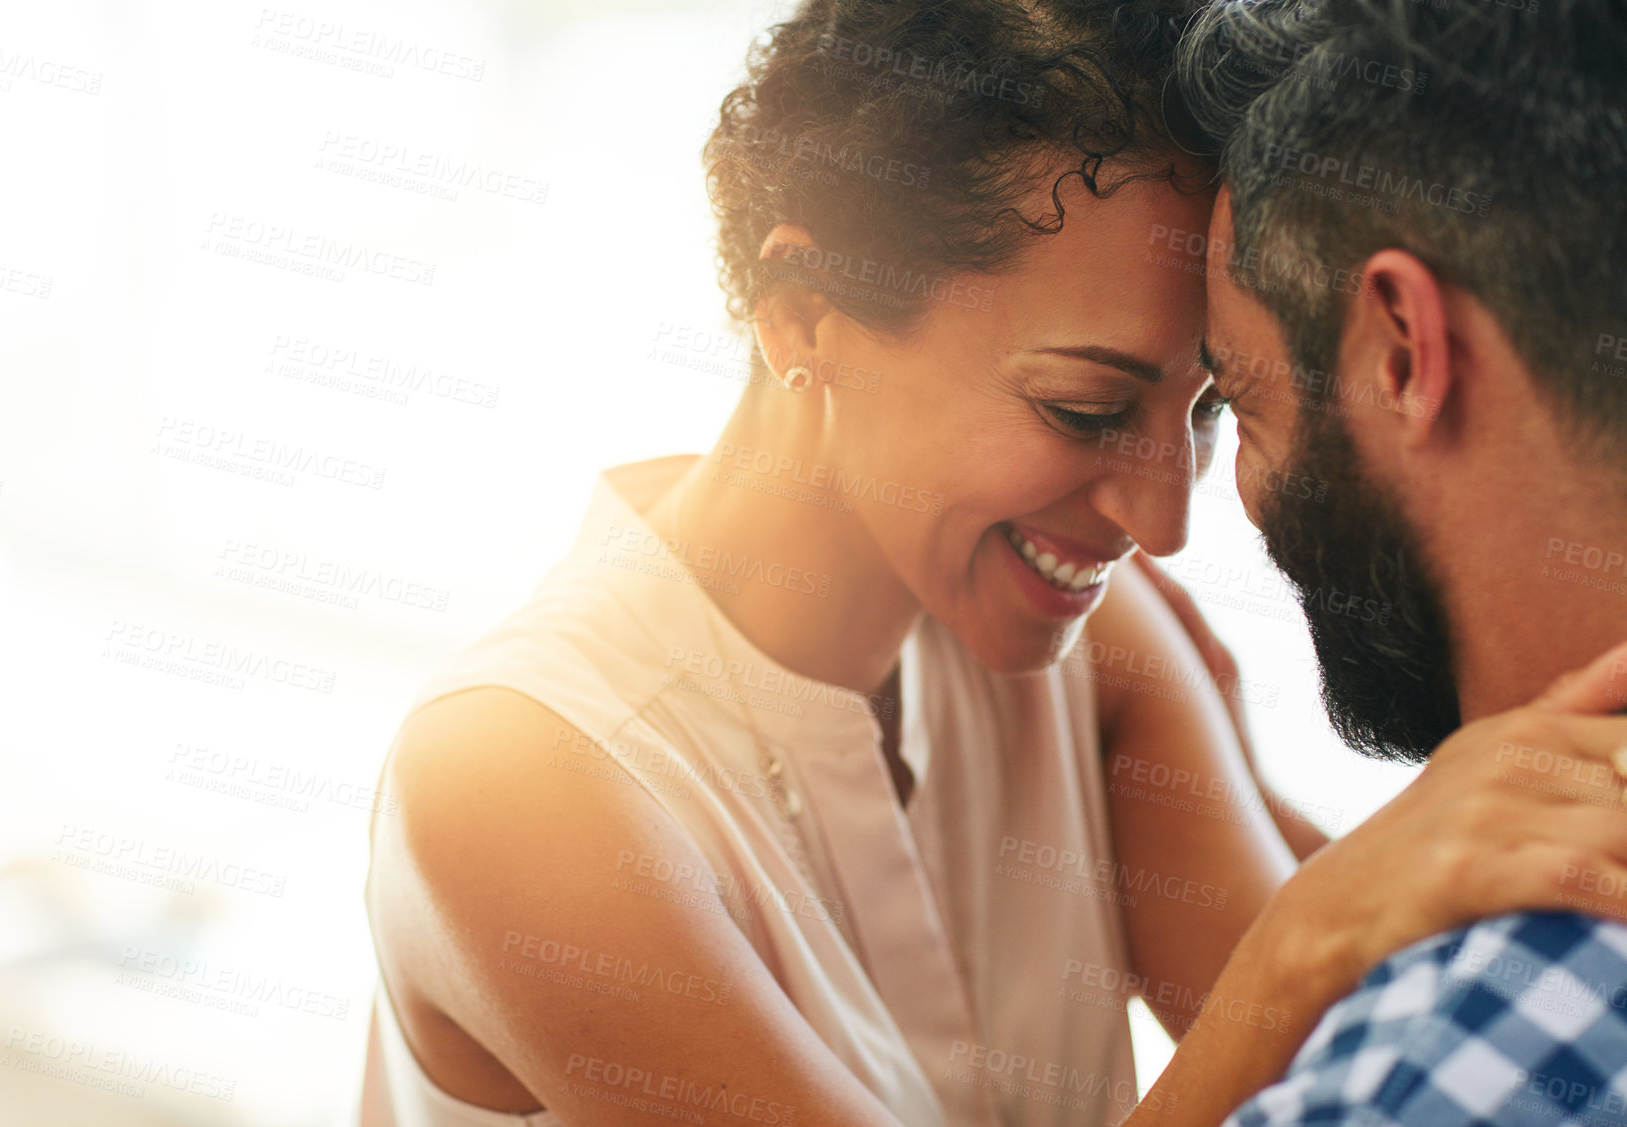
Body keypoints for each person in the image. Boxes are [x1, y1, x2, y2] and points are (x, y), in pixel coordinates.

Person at [357, 1, 1627, 1124]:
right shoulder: (514, 771)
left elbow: (1374, 1028)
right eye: (1084, 408)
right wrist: (1304, 936)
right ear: (803, 310)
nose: (1163, 518)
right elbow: (1321, 964)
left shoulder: (1092, 645)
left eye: (1203, 410)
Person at [1159, 0, 1627, 1122]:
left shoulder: (1453, 1052)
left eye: (1237, 399)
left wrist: (1301, 936)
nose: (1173, 520)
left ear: (1403, 350)